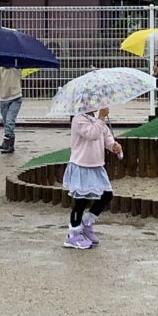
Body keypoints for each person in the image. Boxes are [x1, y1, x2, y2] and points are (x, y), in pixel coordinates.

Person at [62, 107, 123, 249]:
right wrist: (101, 118)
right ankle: (73, 234)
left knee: (107, 195)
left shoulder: (97, 120)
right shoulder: (78, 120)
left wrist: (113, 145)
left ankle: (87, 222)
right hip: (81, 165)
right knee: (81, 201)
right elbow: (92, 134)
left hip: (96, 165)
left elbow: (105, 135)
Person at [0, 66, 23, 154]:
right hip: (3, 98)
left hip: (15, 98)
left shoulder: (15, 67)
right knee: (5, 121)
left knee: (9, 120)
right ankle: (8, 141)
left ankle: (8, 142)